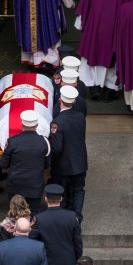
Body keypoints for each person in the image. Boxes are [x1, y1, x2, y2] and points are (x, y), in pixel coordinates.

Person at [74, 0, 130, 100]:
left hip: (95, 29)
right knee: (112, 60)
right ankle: (110, 89)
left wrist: (80, 24)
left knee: (91, 54)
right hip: (113, 31)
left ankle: (93, 87)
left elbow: (85, 6)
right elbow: (128, 12)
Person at [31, 184, 82, 265]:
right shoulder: (71, 216)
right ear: (61, 199)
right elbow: (77, 242)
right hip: (68, 263)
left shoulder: (39, 219)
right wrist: (77, 260)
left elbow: (33, 241)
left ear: (46, 198)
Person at [49, 86, 88, 221]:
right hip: (80, 163)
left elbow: (57, 148)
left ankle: (64, 220)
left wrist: (50, 161)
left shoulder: (57, 122)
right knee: (78, 190)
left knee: (62, 193)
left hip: (63, 166)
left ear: (60, 99)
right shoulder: (80, 117)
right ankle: (77, 217)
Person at [0, 110, 51, 211]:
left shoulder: (12, 141)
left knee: (16, 215)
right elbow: (47, 165)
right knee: (33, 215)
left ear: (22, 125)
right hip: (35, 186)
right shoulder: (44, 142)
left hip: (15, 186)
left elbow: (3, 164)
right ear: (36, 125)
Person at [13, 0, 74, 67]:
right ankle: (50, 61)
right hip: (49, 6)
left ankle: (34, 59)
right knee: (49, 25)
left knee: (30, 23)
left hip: (29, 6)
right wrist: (68, 2)